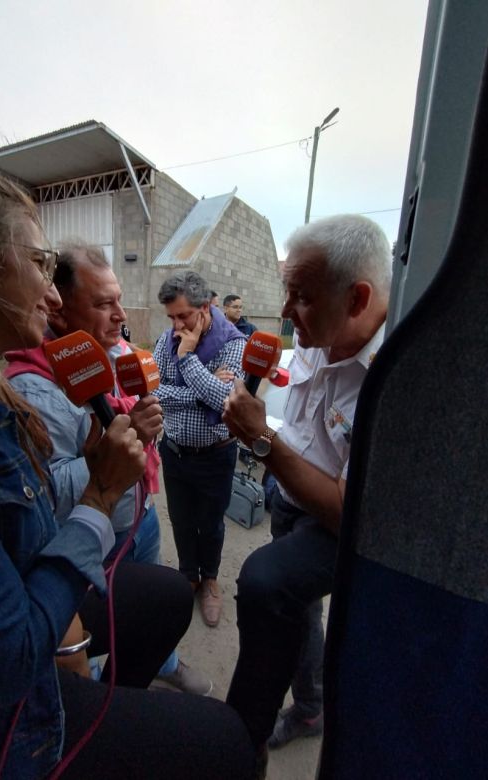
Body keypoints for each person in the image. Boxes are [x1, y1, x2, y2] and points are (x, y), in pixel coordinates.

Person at [0, 137, 256, 779]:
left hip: (46, 631)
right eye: (39, 261)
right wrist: (98, 494)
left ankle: (108, 697)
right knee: (225, 744)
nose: (52, 293)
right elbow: (9, 655)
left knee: (163, 594)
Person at [222, 214, 391, 770]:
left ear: (358, 298)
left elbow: (352, 513)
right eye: (287, 292)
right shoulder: (316, 339)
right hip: (286, 500)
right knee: (300, 614)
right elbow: (301, 428)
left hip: (331, 522)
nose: (288, 313)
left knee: (268, 581)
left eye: (303, 297)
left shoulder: (390, 380)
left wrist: (263, 442)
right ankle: (312, 707)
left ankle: (239, 740)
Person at [5, 244, 212, 696]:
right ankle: (107, 682)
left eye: (118, 299)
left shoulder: (114, 353)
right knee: (114, 619)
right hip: (100, 534)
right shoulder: (35, 393)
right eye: (103, 304)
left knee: (156, 599)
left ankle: (165, 661)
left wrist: (143, 431)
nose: (120, 315)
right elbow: (46, 494)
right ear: (59, 313)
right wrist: (114, 450)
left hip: (140, 515)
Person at [153, 271, 247, 627]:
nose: (177, 326)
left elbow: (227, 401)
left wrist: (188, 357)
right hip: (174, 451)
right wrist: (202, 392)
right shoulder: (165, 341)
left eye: (184, 316)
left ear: (205, 308)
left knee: (210, 524)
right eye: (171, 317)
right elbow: (155, 394)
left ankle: (209, 580)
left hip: (216, 455)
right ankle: (187, 575)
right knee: (180, 519)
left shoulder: (233, 343)